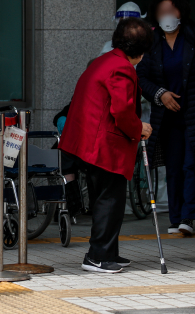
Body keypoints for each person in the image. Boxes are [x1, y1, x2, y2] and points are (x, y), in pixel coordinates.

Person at [59, 17, 153, 273]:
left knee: (106, 199)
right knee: (109, 201)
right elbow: (122, 111)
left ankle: (107, 252)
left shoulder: (104, 61)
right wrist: (139, 128)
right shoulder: (122, 68)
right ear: (141, 51)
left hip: (88, 141)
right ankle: (98, 256)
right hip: (103, 145)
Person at [137, 0, 195, 237]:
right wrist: (161, 94)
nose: (167, 16)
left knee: (191, 165)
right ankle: (175, 216)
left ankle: (188, 217)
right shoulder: (151, 43)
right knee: (172, 167)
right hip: (166, 117)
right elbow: (141, 78)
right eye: (162, 12)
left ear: (181, 12)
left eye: (171, 11)